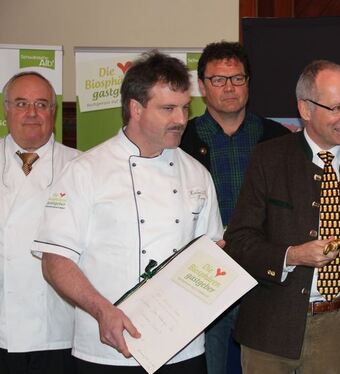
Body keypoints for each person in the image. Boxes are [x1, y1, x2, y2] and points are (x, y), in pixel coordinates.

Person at [34, 51, 224, 374]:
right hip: (107, 350)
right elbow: (55, 261)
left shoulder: (197, 175)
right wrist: (101, 310)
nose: (181, 119)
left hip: (183, 349)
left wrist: (216, 264)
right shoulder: (86, 171)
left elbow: (213, 250)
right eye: (168, 109)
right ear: (135, 109)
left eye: (183, 108)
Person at [224, 60, 340, 374]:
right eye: (337, 107)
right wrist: (292, 255)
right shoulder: (268, 159)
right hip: (269, 328)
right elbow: (239, 240)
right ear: (305, 108)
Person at [179, 40, 289, 374]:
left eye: (237, 78)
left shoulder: (278, 139)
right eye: (218, 80)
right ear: (201, 86)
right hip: (204, 275)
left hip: (264, 277)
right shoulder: (182, 140)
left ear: (248, 83)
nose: (229, 88)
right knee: (208, 365)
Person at [0, 72, 80, 374]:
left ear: (54, 112)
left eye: (41, 104)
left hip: (59, 331)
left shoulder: (81, 167)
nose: (32, 113)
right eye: (21, 103)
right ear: (6, 111)